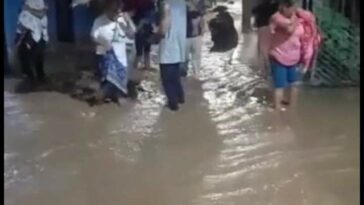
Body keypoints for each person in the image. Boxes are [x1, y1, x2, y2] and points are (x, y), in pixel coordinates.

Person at [90, 0, 135, 105]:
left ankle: (104, 95)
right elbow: (93, 37)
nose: (118, 9)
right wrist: (103, 42)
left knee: (121, 97)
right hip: (105, 57)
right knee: (108, 81)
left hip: (121, 58)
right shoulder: (99, 21)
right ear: (107, 8)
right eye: (115, 6)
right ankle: (101, 96)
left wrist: (128, 22)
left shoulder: (122, 20)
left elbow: (132, 34)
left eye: (119, 6)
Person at [268, 0, 305, 111]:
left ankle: (292, 108)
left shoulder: (294, 18)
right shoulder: (277, 17)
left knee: (293, 84)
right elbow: (289, 30)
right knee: (280, 85)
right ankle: (277, 110)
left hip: (293, 57)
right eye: (292, 8)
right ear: (283, 7)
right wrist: (296, 19)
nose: (294, 10)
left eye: (295, 7)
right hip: (279, 56)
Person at [158, 0, 187, 111]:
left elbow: (165, 26)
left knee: (167, 80)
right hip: (179, 46)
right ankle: (181, 98)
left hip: (167, 47)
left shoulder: (166, 4)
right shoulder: (181, 3)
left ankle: (173, 104)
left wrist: (157, 34)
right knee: (175, 78)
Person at [15, 0, 49, 84]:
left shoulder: (29, 13)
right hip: (33, 28)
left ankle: (33, 78)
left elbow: (41, 12)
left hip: (33, 29)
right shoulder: (26, 14)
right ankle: (36, 77)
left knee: (32, 54)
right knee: (34, 54)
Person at [252, 0, 278, 77]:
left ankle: (264, 70)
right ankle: (270, 67)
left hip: (262, 28)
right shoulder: (275, 6)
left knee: (263, 49)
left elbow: (254, 12)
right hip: (273, 29)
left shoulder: (259, 7)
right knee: (270, 47)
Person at [181, 1, 206, 78]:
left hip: (194, 35)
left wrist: (202, 30)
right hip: (186, 35)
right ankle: (189, 75)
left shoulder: (200, 3)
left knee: (193, 57)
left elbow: (202, 17)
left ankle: (194, 75)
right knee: (185, 58)